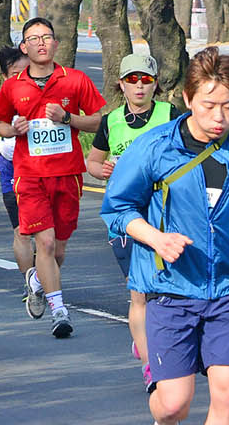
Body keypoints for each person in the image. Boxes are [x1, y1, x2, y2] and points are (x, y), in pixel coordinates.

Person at [100, 46, 229, 424]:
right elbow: (117, 209)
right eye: (208, 105)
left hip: (227, 290)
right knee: (173, 406)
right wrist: (156, 238)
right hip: (169, 290)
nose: (219, 117)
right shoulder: (155, 148)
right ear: (188, 99)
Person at [0, 15, 106, 337]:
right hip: (29, 174)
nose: (41, 43)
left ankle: (39, 283)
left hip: (67, 173)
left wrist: (68, 118)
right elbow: (0, 124)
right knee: (42, 241)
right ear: (24, 46)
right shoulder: (12, 86)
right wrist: (13, 129)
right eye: (34, 38)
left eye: (46, 37)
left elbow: (98, 121)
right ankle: (59, 309)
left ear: (56, 43)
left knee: (57, 249)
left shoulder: (75, 80)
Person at [85, 49, 176, 361]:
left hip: (166, 214)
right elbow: (93, 162)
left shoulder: (171, 115)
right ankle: (150, 362)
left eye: (146, 80)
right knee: (138, 289)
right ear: (120, 84)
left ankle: (156, 341)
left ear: (155, 85)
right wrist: (103, 169)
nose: (139, 86)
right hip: (125, 216)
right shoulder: (110, 121)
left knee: (162, 289)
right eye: (132, 80)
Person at [0, 45, 35, 292]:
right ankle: (31, 284)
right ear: (5, 76)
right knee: (22, 232)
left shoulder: (46, 102)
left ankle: (44, 277)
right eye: (16, 72)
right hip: (12, 179)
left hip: (46, 176)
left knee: (50, 239)